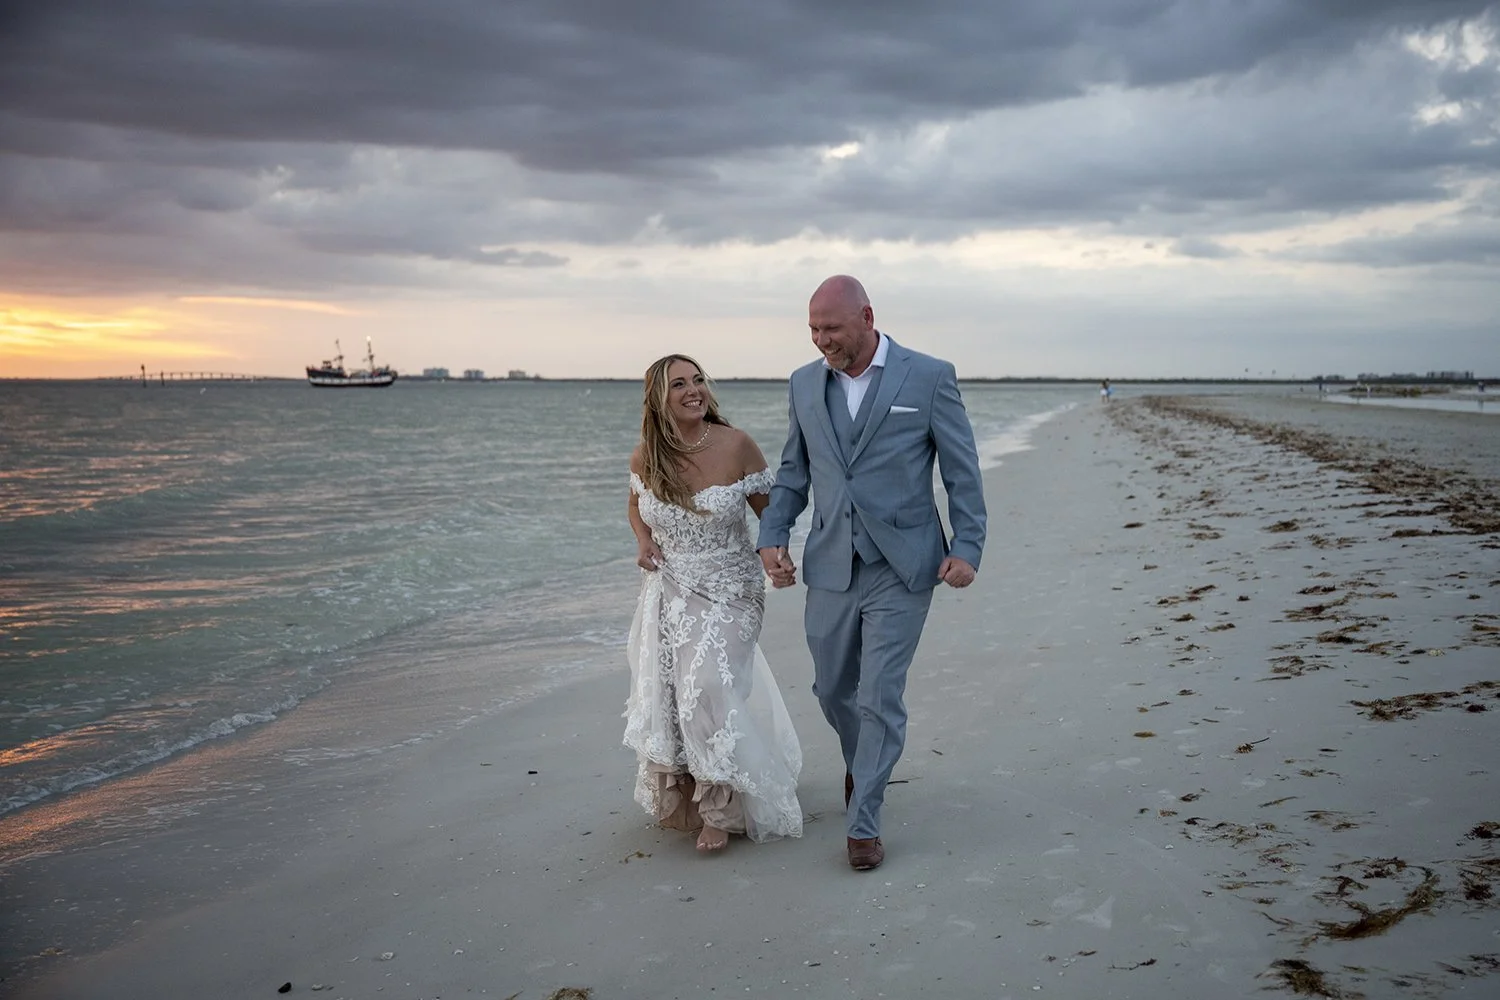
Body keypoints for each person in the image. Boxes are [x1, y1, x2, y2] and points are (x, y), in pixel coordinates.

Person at [756, 276, 987, 871]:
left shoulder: (929, 376)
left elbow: (962, 470)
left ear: (866, 316)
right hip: (832, 561)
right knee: (833, 691)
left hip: (906, 562)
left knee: (880, 694)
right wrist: (773, 534)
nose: (820, 340)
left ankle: (865, 823)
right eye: (812, 329)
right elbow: (793, 471)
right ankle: (864, 767)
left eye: (831, 328)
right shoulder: (805, 384)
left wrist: (968, 546)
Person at [623, 354, 803, 853]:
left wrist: (778, 558)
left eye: (697, 379)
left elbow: (772, 516)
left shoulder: (737, 445)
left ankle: (721, 809)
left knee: (707, 684)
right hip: (670, 587)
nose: (693, 390)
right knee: (672, 693)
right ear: (659, 398)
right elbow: (636, 505)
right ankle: (694, 791)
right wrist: (643, 543)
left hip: (732, 586)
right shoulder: (647, 457)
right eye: (679, 384)